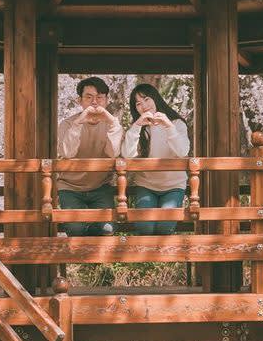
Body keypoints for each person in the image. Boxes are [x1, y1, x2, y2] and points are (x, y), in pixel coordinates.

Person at [56, 78, 123, 234]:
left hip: (100, 186)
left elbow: (113, 153)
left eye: (99, 97)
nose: (94, 102)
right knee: (75, 229)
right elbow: (67, 153)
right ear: (79, 100)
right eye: (89, 97)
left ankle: (89, 236)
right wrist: (78, 123)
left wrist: (113, 123)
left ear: (106, 100)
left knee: (107, 229)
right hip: (70, 186)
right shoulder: (68, 124)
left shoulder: (112, 124)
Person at [122, 84, 190, 234]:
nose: (144, 106)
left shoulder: (176, 123)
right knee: (144, 228)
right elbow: (127, 154)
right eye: (138, 104)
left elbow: (183, 151)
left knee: (165, 228)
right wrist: (136, 126)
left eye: (146, 99)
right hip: (146, 184)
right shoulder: (139, 127)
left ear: (155, 98)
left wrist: (169, 126)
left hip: (173, 185)